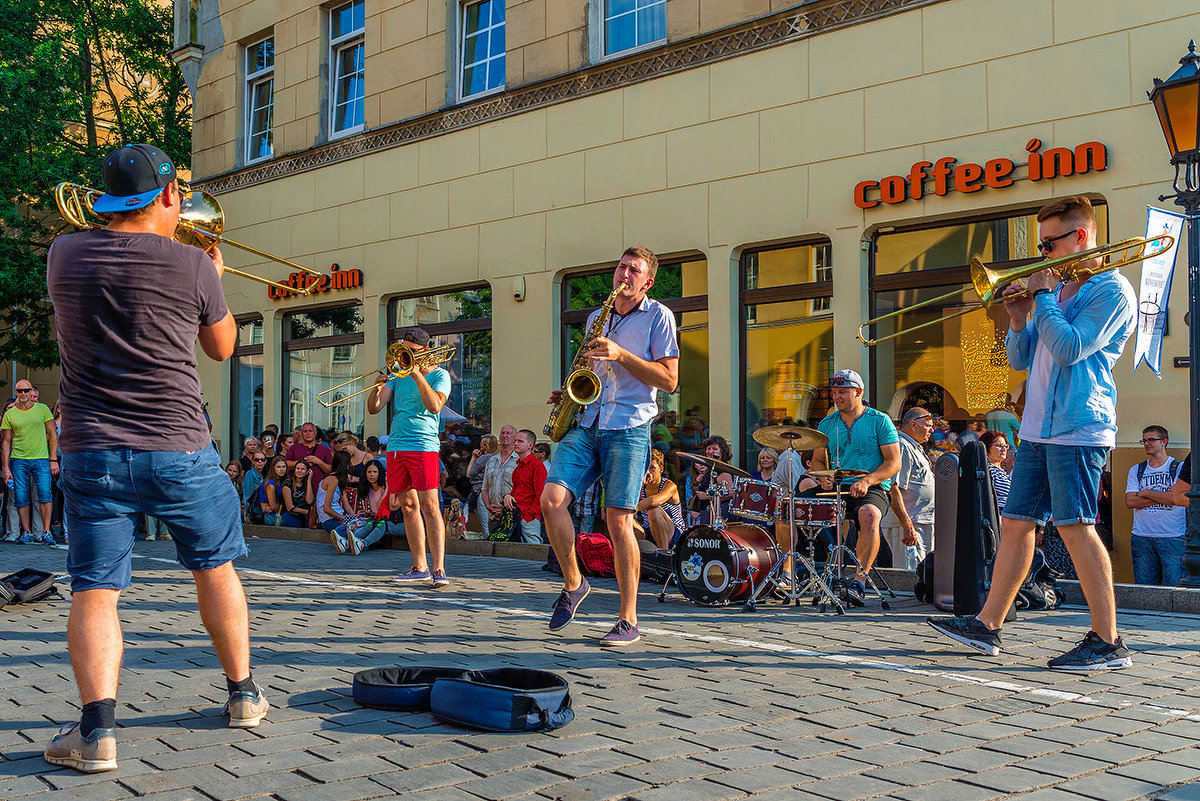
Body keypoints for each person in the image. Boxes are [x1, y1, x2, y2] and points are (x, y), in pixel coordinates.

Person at [43, 143, 266, 774]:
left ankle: (97, 734)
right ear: (169, 194)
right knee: (215, 569)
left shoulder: (64, 255)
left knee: (94, 590)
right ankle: (243, 696)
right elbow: (222, 349)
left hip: (92, 450)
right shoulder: (194, 265)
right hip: (179, 446)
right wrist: (212, 279)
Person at [928, 195, 1136, 670]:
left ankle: (1108, 641)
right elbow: (1022, 359)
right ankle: (989, 624)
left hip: (1078, 426)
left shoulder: (1112, 291)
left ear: (1079, 237)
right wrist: (1020, 318)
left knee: (1076, 526)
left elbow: (1069, 349)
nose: (1041, 254)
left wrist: (1042, 297)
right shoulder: (1058, 291)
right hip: (1039, 427)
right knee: (1017, 523)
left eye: (1048, 244)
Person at [541, 246, 679, 646]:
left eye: (634, 270)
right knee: (551, 502)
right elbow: (589, 369)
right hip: (587, 419)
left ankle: (628, 619)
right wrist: (569, 392)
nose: (624, 274)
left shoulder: (659, 316)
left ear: (647, 281)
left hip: (630, 426)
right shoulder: (596, 316)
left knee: (618, 521)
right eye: (621, 266)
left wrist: (620, 354)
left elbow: (669, 380)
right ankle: (574, 583)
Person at [366, 327, 451, 587]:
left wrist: (416, 374)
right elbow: (375, 408)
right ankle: (419, 566)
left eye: (412, 351)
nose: (406, 355)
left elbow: (434, 405)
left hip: (423, 445)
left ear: (425, 351)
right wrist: (376, 387)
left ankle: (439, 569)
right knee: (408, 506)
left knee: (430, 505)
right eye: (404, 350)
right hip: (396, 445)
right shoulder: (398, 374)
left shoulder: (440, 375)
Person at [810, 369, 901, 606]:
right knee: (788, 507)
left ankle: (859, 581)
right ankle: (789, 573)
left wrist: (868, 480)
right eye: (834, 392)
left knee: (868, 514)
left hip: (872, 487)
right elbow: (818, 460)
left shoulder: (879, 420)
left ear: (858, 392)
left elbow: (894, 461)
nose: (836, 397)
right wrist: (823, 478)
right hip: (837, 485)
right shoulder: (827, 423)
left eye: (842, 392)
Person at [1125, 426, 1185, 587]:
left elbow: (1175, 499)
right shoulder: (1137, 470)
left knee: (1175, 588)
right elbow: (1131, 502)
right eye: (1144, 440)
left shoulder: (1179, 468)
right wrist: (1163, 497)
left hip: (1173, 536)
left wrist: (1145, 492)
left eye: (1151, 439)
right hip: (1142, 536)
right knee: (1145, 590)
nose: (1146, 443)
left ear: (1164, 441)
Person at [1, 379, 57, 544]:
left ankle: (46, 531)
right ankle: (26, 532)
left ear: (31, 391)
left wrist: (53, 459)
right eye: (20, 391)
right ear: (16, 393)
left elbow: (53, 434)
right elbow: (5, 441)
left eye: (26, 390)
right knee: (20, 497)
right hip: (18, 460)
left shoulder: (42, 409)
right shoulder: (10, 414)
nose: (24, 394)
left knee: (45, 494)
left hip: (41, 458)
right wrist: (5, 467)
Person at [880, 407, 935, 572]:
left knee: (922, 573)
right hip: (909, 524)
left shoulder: (913, 446)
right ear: (913, 424)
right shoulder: (902, 445)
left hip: (919, 520)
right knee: (910, 573)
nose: (932, 430)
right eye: (928, 425)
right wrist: (907, 525)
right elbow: (893, 487)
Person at [503, 429, 547, 544]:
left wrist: (529, 516)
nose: (515, 443)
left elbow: (541, 494)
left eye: (520, 441)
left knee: (534, 552)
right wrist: (507, 496)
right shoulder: (518, 466)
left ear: (530, 445)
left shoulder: (537, 465)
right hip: (517, 515)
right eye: (515, 440)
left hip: (528, 517)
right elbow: (516, 490)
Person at [634, 448, 684, 549]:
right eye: (645, 468)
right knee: (623, 517)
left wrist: (634, 509)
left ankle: (664, 553)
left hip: (673, 532)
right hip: (648, 529)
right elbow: (627, 503)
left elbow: (653, 501)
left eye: (652, 468)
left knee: (654, 510)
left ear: (660, 469)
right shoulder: (641, 488)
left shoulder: (669, 485)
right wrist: (642, 482)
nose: (648, 471)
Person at [482, 425, 519, 540]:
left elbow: (522, 488)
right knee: (494, 554)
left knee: (512, 552)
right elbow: (484, 489)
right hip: (493, 516)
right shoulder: (491, 461)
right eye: (502, 433)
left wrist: (504, 508)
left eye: (508, 433)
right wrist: (488, 506)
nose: (504, 435)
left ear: (515, 438)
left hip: (512, 516)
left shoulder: (519, 461)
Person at [285, 422, 333, 496]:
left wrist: (318, 462)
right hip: (297, 491)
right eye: (305, 431)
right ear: (301, 433)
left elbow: (330, 470)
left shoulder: (325, 449)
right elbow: (286, 465)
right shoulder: (294, 448)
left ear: (315, 432)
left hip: (319, 490)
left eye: (310, 431)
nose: (308, 433)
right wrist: (302, 462)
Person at [317, 450, 352, 549]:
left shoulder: (339, 480)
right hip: (329, 520)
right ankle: (342, 539)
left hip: (337, 516)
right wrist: (343, 518)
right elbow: (326, 508)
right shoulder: (332, 479)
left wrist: (354, 517)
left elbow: (346, 506)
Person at [466, 434, 498, 537]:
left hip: (480, 491)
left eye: (482, 443)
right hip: (492, 491)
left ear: (486, 445)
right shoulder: (497, 458)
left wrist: (473, 457)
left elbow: (469, 473)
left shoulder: (483, 458)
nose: (480, 444)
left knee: (485, 524)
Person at [980, 430, 1012, 511]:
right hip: (998, 515)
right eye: (999, 446)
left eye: (1005, 446)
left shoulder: (1002, 471)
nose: (1004, 449)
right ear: (986, 449)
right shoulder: (988, 470)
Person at [281, 460, 315, 528]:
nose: (299, 471)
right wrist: (308, 513)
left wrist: (309, 481)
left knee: (309, 525)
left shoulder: (307, 483)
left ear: (307, 472)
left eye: (302, 469)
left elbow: (309, 501)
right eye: (298, 468)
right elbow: (289, 507)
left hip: (304, 514)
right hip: (291, 513)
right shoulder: (287, 484)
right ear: (294, 470)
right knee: (295, 524)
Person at [257, 455, 288, 526]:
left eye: (283, 467)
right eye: (278, 467)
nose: (281, 469)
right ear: (273, 468)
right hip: (269, 515)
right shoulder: (271, 484)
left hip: (277, 513)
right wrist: (285, 508)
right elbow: (274, 507)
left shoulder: (282, 481)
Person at [242, 452, 267, 523]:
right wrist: (248, 514)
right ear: (252, 461)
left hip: (259, 510)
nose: (260, 461)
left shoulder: (261, 475)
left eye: (262, 459)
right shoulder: (250, 474)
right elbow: (248, 496)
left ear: (265, 461)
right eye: (257, 460)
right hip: (253, 513)